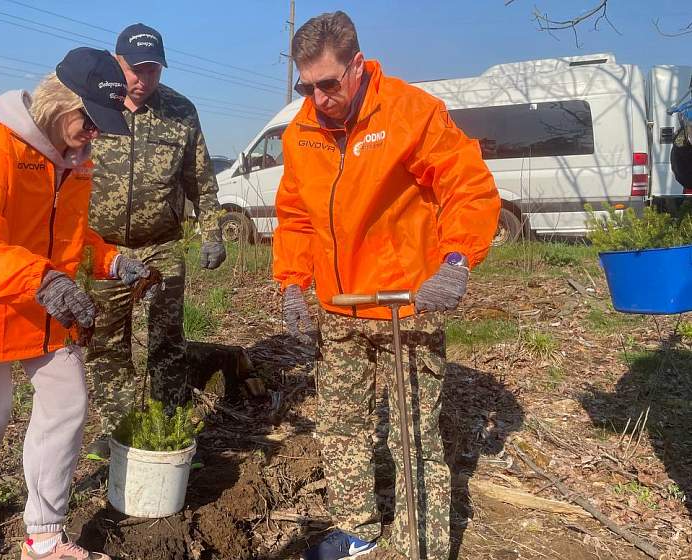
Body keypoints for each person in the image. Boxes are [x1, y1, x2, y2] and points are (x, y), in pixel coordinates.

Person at [272, 12, 500, 560]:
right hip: (340, 309)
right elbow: (296, 216)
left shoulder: (410, 113)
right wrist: (292, 283)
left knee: (412, 435)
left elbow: (467, 186)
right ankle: (357, 528)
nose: (318, 98)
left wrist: (456, 261)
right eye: (307, 86)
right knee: (341, 427)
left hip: (407, 307)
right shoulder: (302, 132)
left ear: (357, 65)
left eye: (329, 83)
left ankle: (420, 543)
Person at [0, 47, 153, 560]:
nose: (94, 134)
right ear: (60, 102)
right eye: (89, 120)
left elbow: (69, 237)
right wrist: (40, 279)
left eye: (101, 125)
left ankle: (44, 536)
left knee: (67, 404)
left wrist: (111, 261)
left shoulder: (75, 163)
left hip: (46, 308)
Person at [83, 23, 226, 458]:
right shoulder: (94, 105)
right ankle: (118, 432)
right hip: (104, 249)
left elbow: (202, 182)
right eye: (135, 69)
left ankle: (168, 431)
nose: (143, 80)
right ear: (117, 62)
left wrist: (212, 232)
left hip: (162, 244)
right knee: (107, 343)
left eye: (153, 71)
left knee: (166, 341)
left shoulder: (180, 112)